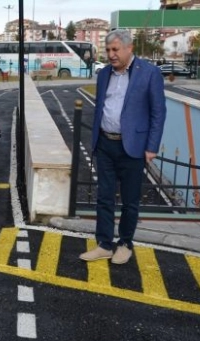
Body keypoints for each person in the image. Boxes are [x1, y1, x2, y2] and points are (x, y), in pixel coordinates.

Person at [79, 29, 166, 265]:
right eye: (108, 50)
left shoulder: (150, 73)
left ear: (130, 48)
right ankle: (105, 244)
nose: (111, 54)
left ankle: (125, 243)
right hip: (105, 143)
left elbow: (158, 113)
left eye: (115, 49)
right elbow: (101, 106)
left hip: (133, 146)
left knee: (129, 200)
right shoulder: (104, 73)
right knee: (104, 198)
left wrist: (152, 146)